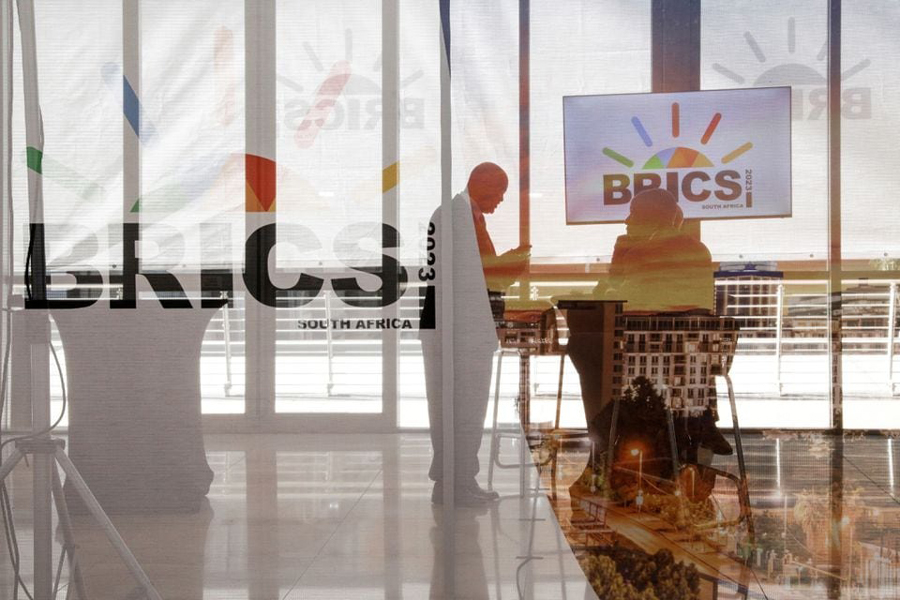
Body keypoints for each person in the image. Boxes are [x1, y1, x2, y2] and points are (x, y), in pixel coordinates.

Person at [420, 162, 530, 506]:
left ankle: (455, 481)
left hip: (457, 326)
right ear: (481, 183)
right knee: (463, 408)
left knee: (459, 407)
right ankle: (456, 483)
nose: (500, 200)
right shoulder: (455, 216)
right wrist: (514, 261)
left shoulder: (462, 215)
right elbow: (477, 276)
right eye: (499, 191)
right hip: (458, 329)